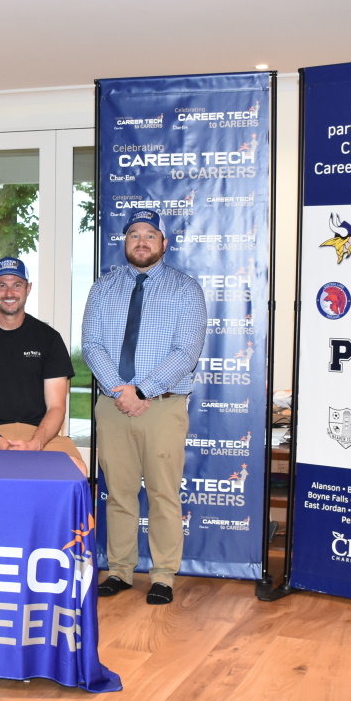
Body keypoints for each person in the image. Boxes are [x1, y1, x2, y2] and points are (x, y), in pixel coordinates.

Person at [81, 209, 206, 606]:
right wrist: (121, 392)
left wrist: (141, 390)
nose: (141, 241)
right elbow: (91, 344)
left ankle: (163, 575)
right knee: (118, 494)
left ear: (163, 243)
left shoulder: (186, 289)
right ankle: (119, 569)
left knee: (162, 493)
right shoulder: (104, 287)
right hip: (112, 405)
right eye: (134, 234)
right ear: (125, 241)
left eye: (150, 235)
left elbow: (186, 352)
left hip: (162, 406)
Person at [0, 257, 82, 470]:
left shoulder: (49, 338)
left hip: (40, 434)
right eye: (2, 285)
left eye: (17, 285)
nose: (9, 293)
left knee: (76, 469)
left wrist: (37, 443)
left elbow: (57, 407)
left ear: (28, 289)